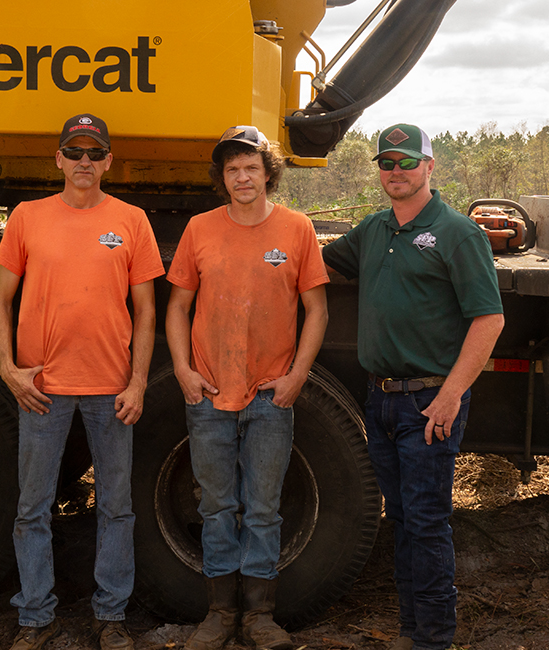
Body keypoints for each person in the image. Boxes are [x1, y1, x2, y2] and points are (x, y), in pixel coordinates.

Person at [322, 124, 504, 650]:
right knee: (399, 519)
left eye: (406, 161)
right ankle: (410, 630)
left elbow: (488, 321)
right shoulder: (375, 230)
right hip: (380, 399)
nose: (395, 171)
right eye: (386, 163)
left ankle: (434, 638)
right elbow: (323, 266)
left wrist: (449, 396)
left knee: (426, 521)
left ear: (430, 166)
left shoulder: (456, 233)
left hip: (430, 401)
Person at [0, 114, 164, 650]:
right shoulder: (27, 216)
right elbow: (0, 301)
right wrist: (8, 369)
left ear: (109, 160)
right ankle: (35, 617)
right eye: (75, 151)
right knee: (32, 507)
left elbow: (147, 311)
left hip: (111, 388)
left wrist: (137, 384)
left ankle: (110, 617)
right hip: (41, 388)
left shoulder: (132, 220)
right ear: (58, 159)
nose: (85, 161)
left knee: (116, 506)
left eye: (95, 153)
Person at [165, 126, 328, 650]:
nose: (242, 177)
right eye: (232, 169)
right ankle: (218, 614)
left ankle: (260, 618)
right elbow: (177, 307)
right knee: (216, 506)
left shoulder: (297, 230)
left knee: (262, 508)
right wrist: (185, 372)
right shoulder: (199, 229)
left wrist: (296, 377)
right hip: (209, 394)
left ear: (267, 173)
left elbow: (317, 309)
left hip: (269, 395)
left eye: (251, 168)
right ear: (222, 178)